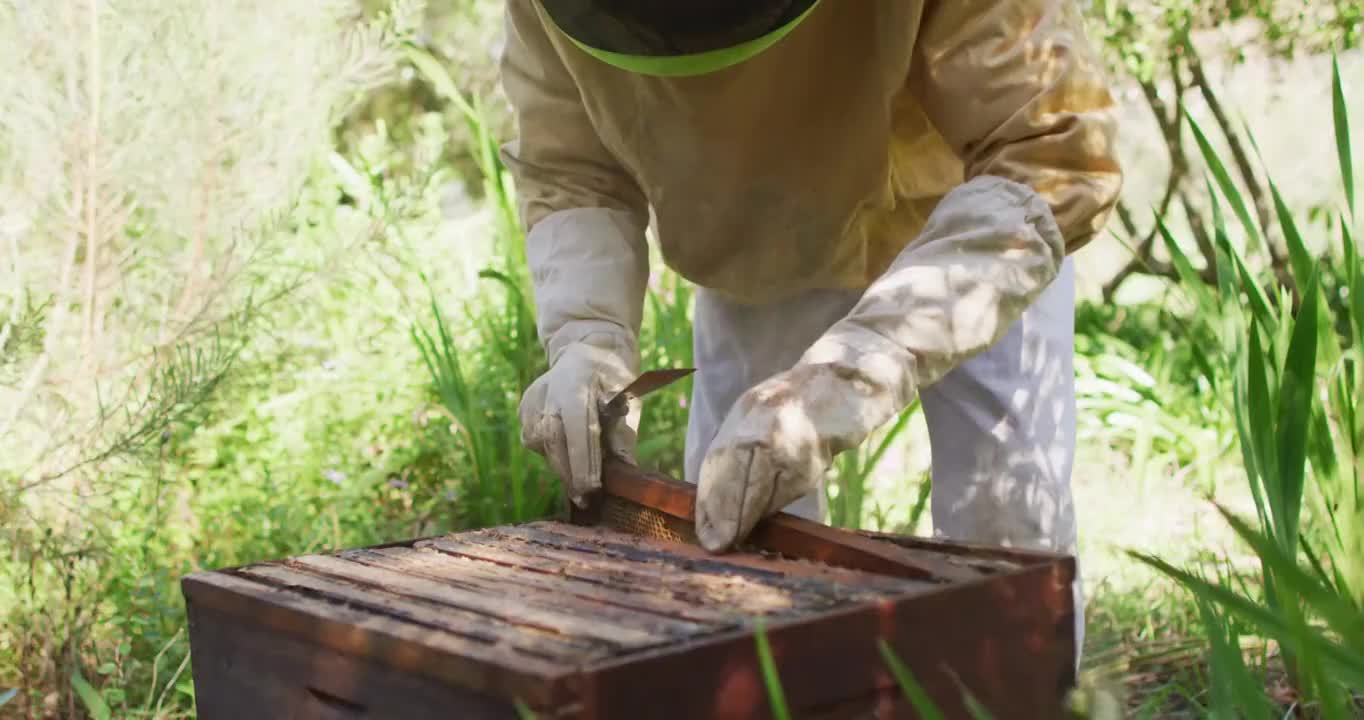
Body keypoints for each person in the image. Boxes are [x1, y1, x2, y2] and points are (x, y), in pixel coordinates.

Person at [502, 0, 1121, 655]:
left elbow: (1048, 147)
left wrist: (868, 361)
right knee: (733, 532)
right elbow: (570, 166)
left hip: (971, 225)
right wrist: (586, 337)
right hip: (756, 237)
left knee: (1006, 523)